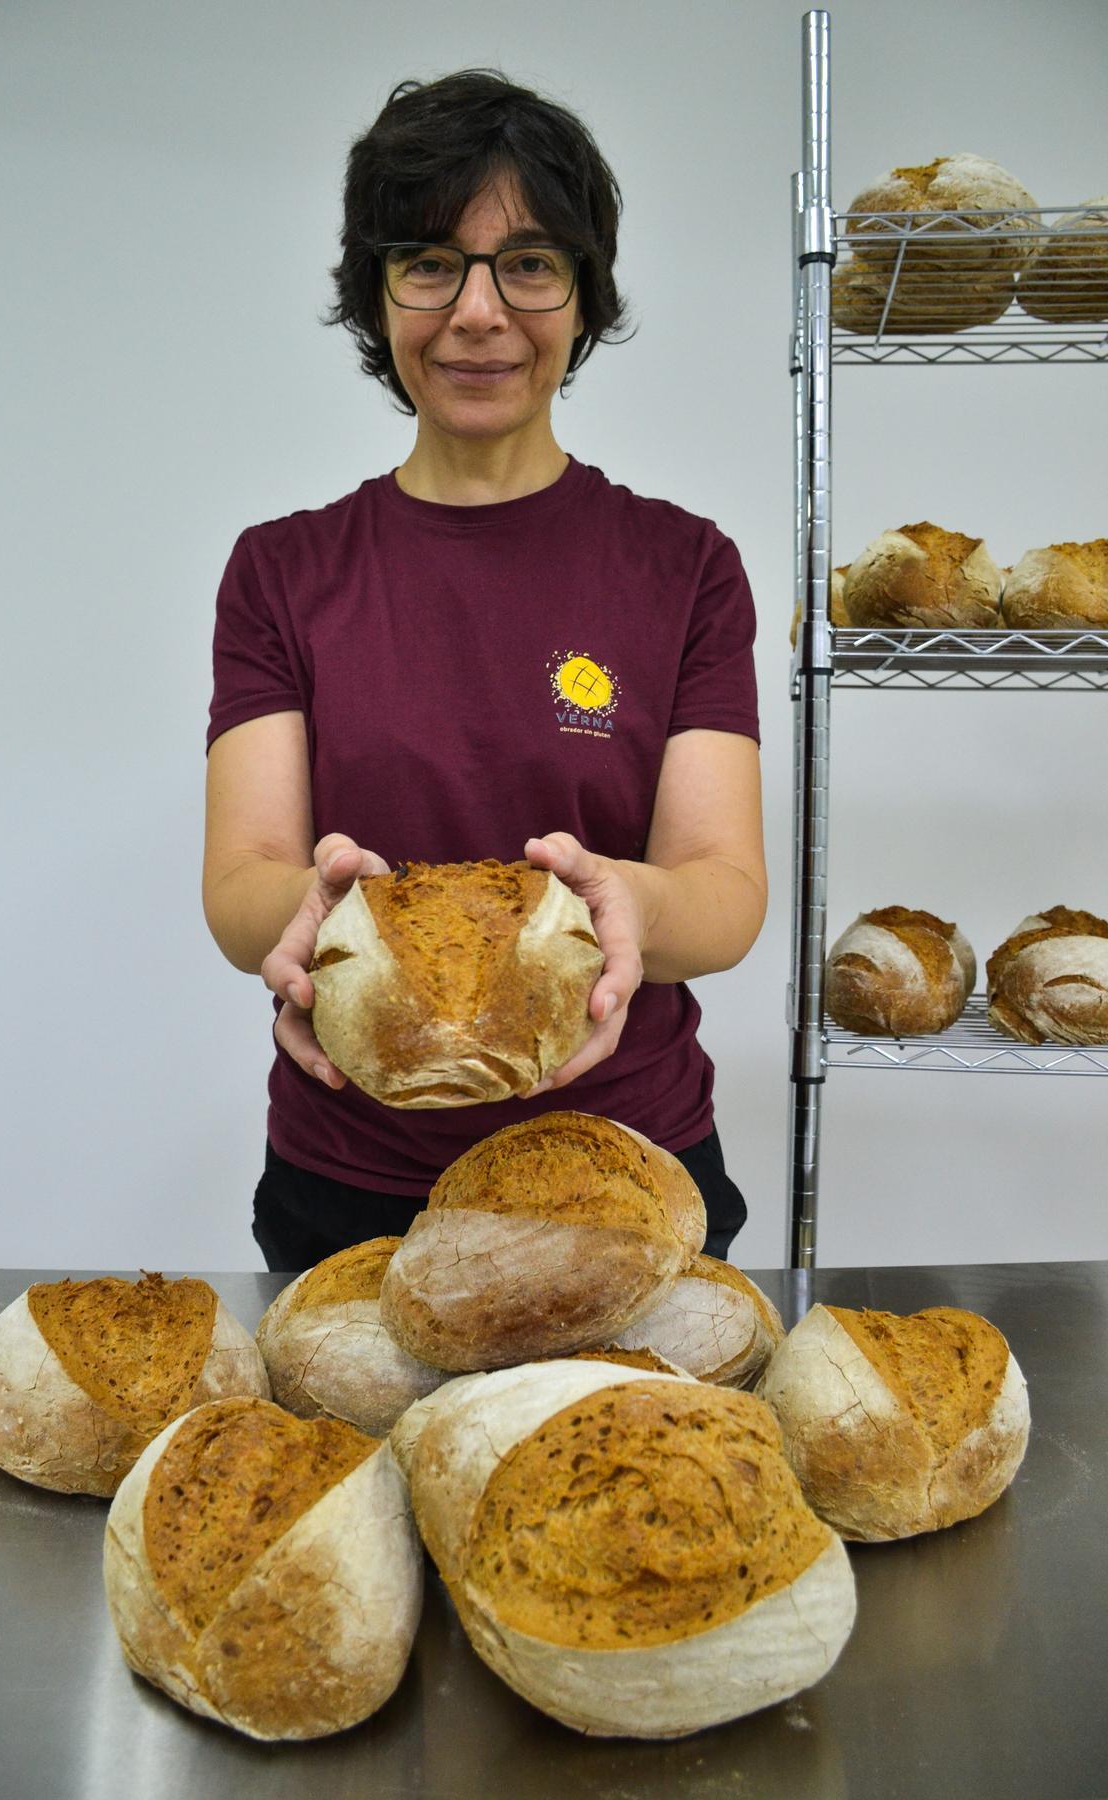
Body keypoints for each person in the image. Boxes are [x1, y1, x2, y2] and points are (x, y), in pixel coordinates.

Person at [203, 69, 766, 1273]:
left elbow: (723, 889)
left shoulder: (687, 567)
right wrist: (305, 911)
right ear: (377, 293)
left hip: (628, 1171)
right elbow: (244, 879)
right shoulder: (282, 572)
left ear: (582, 292)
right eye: (428, 263)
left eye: (529, 263)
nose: (477, 313)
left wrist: (629, 905)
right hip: (349, 1189)